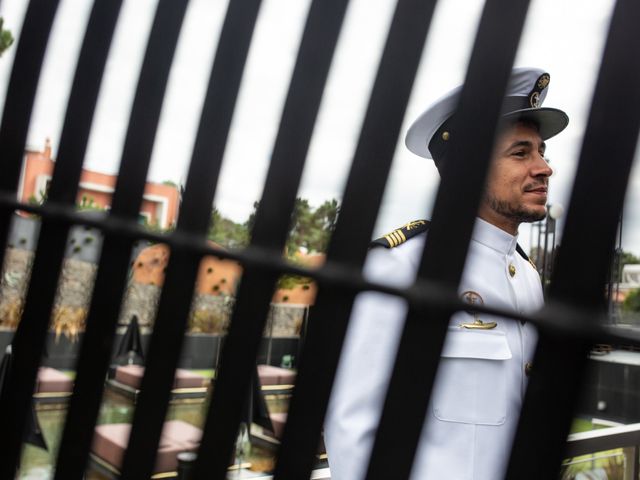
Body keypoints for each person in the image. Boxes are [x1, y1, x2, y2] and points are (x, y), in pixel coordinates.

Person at [324, 67, 569, 480]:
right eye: (520, 153)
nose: (544, 168)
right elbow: (353, 429)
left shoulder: (526, 276)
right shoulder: (401, 267)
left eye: (542, 152)